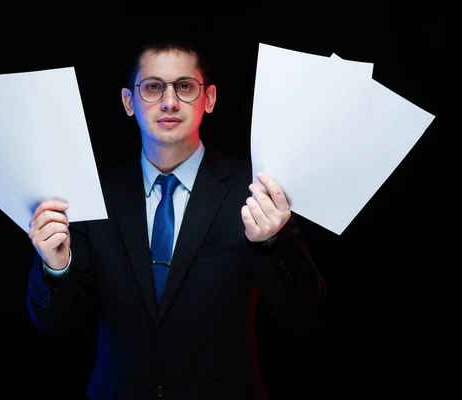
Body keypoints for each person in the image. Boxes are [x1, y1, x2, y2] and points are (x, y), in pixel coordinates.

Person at [26, 38, 327, 400]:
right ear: (128, 101)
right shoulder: (91, 195)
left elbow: (305, 313)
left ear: (210, 98)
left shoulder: (256, 190)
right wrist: (55, 269)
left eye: (185, 87)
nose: (169, 102)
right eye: (153, 87)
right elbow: (57, 326)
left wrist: (274, 241)